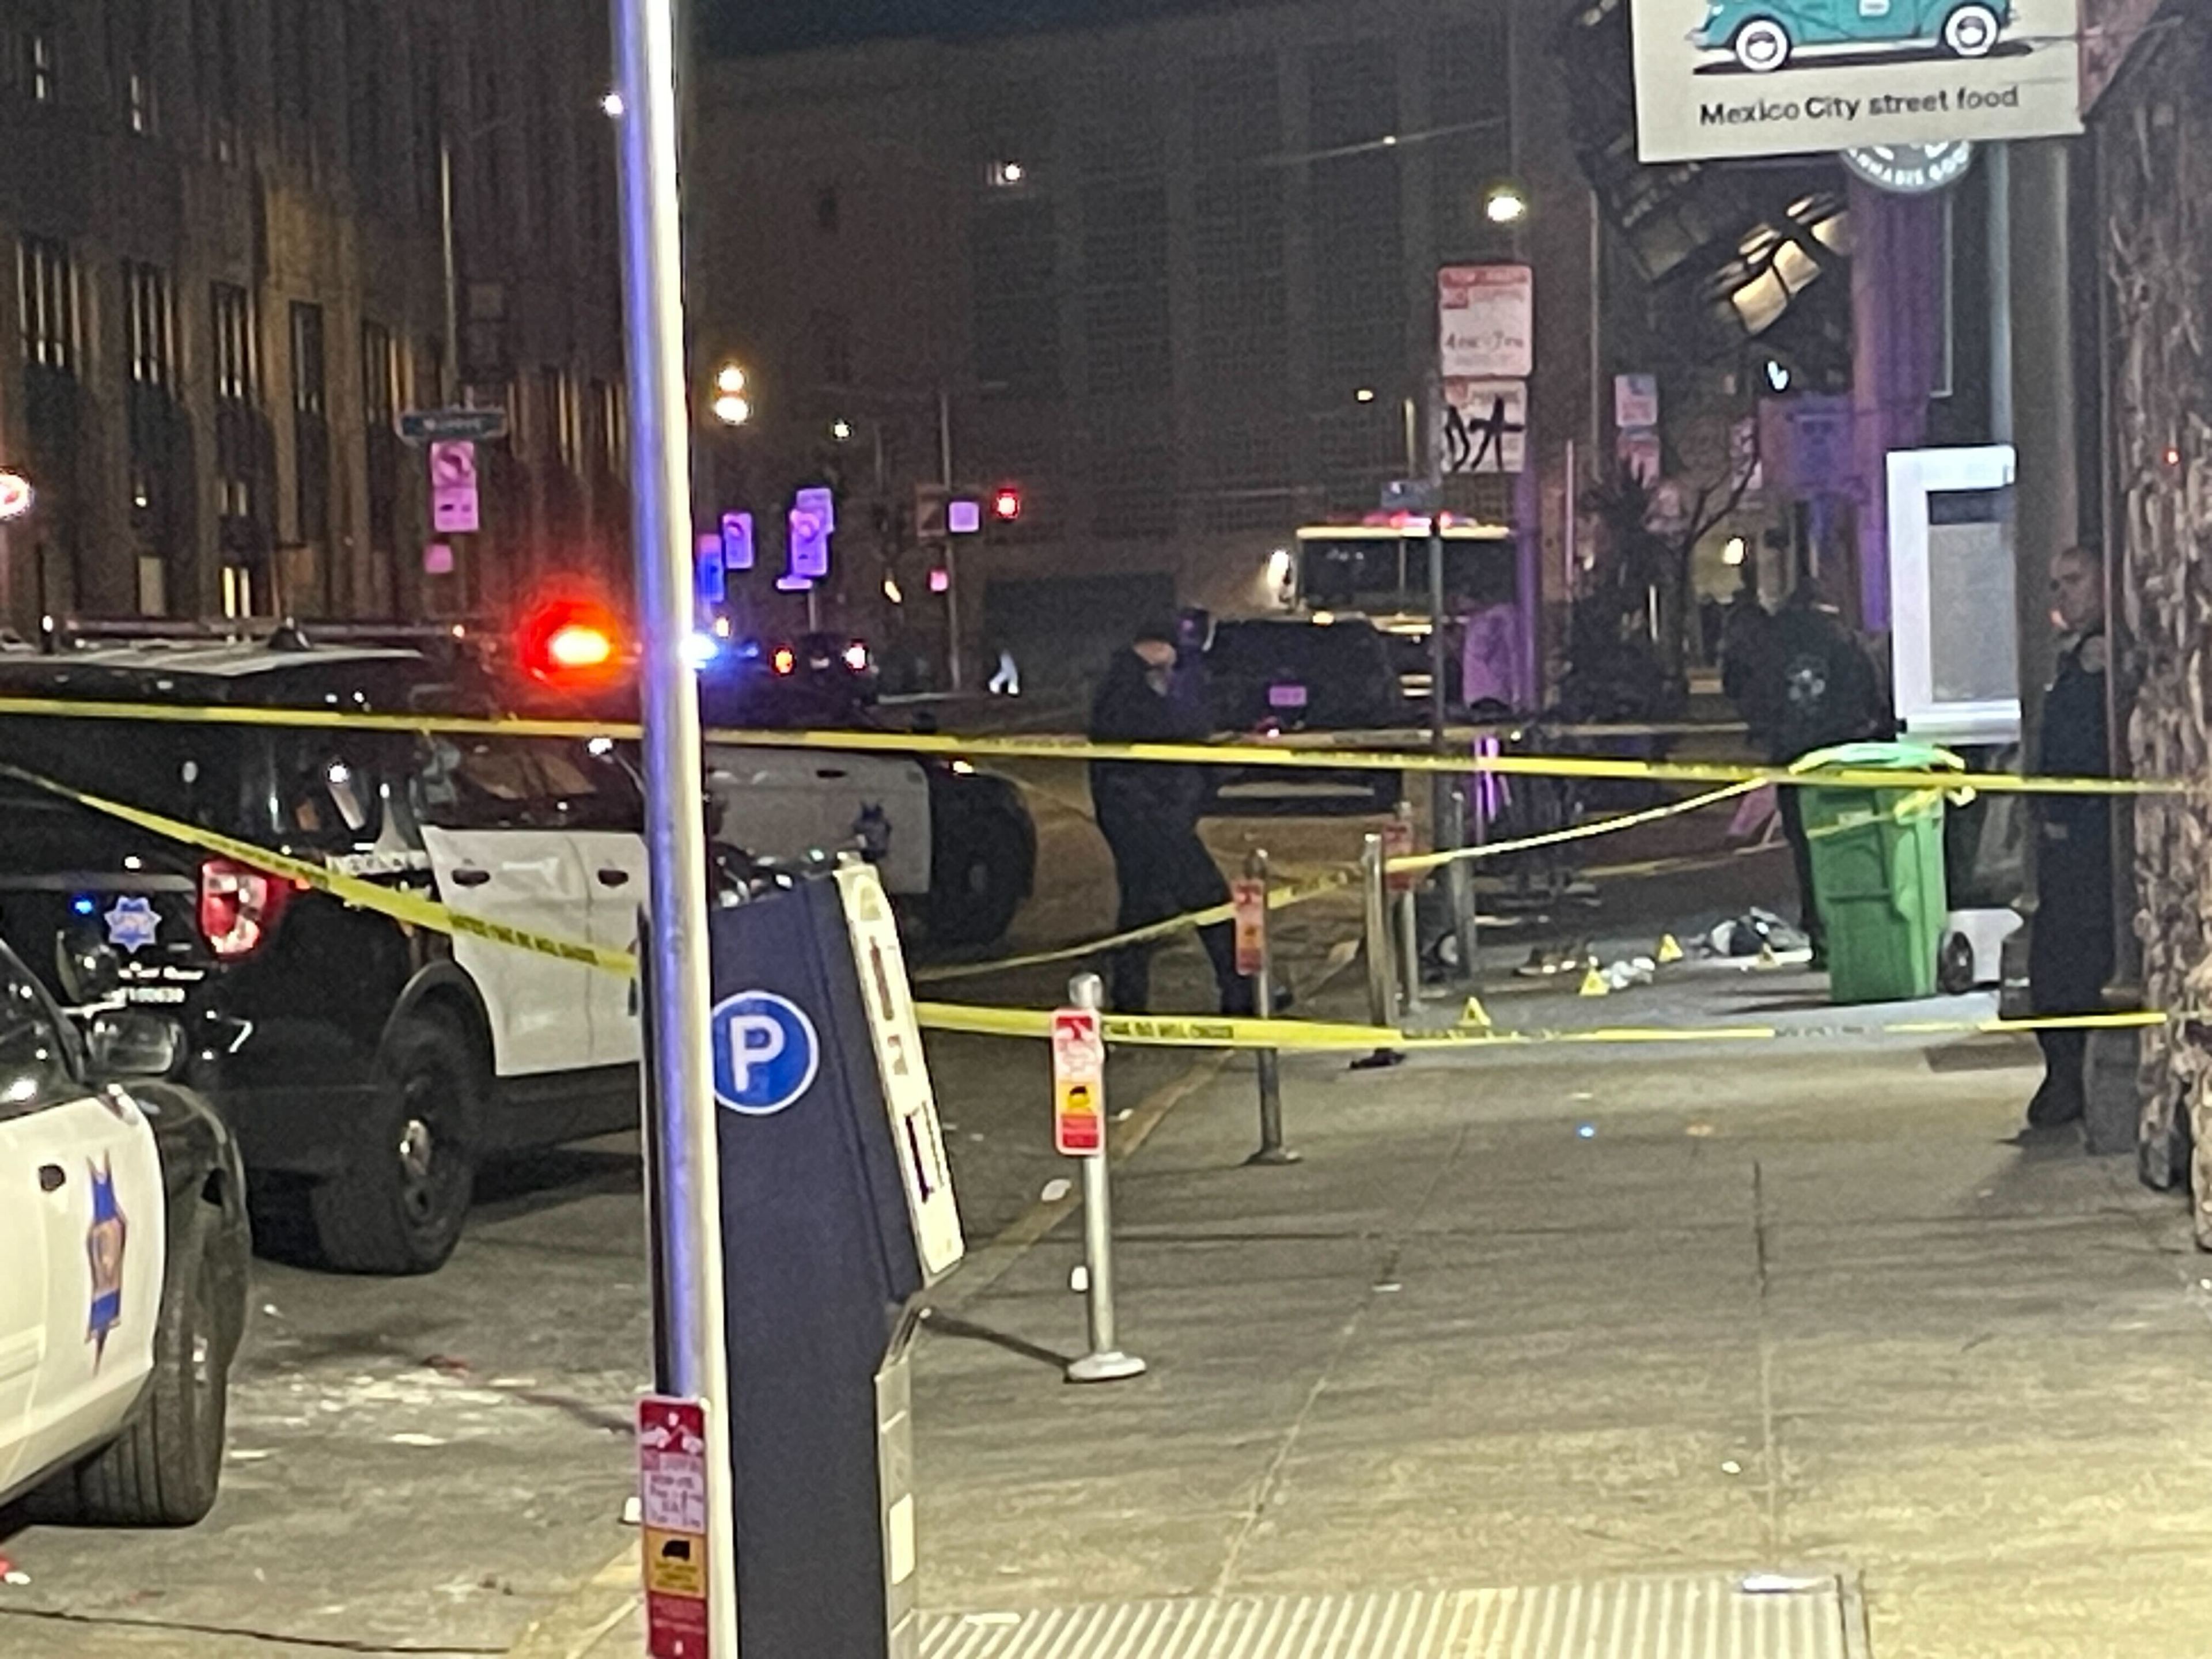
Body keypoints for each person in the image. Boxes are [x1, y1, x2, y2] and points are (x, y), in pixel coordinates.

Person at [1088, 619, 1248, 1014]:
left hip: (1146, 813)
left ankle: (1130, 1000)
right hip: (1152, 816)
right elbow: (1179, 730)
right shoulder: (1132, 688)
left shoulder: (1129, 683)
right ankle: (1240, 995)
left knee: (1141, 910)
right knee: (1211, 902)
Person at [1741, 575, 1884, 964]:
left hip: (1793, 762)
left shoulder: (1771, 643)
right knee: (1848, 845)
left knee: (1805, 849)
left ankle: (1819, 933)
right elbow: (1873, 696)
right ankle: (1851, 930)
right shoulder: (1847, 641)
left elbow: (1754, 694)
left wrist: (1771, 737)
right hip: (1842, 761)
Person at [2025, 544, 2113, 1129]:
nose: (2064, 597)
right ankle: (2062, 1075)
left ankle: (2071, 1080)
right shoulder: (2073, 660)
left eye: (2075, 582)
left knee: (2070, 963)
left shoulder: (2104, 660)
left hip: (2094, 844)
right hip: (2063, 847)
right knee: (2051, 965)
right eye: (2057, 585)